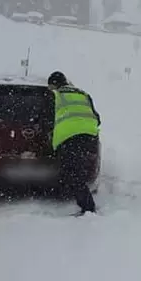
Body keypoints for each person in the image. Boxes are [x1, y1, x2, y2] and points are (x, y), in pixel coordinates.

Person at [47, 71, 101, 215]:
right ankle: (86, 203)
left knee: (71, 173)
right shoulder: (83, 94)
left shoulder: (55, 95)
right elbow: (97, 117)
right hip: (90, 136)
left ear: (54, 84)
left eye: (50, 86)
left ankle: (88, 208)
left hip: (70, 137)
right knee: (77, 171)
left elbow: (46, 118)